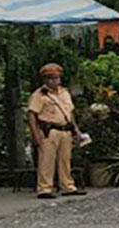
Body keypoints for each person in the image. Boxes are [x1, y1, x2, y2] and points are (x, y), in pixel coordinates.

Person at [27, 63, 85, 199]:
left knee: (65, 160)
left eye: (57, 78)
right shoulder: (39, 95)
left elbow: (70, 114)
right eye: (51, 78)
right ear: (45, 80)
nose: (54, 80)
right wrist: (35, 134)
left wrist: (76, 130)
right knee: (46, 161)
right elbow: (31, 115)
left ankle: (68, 186)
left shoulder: (65, 93)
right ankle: (44, 188)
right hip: (49, 130)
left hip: (65, 129)